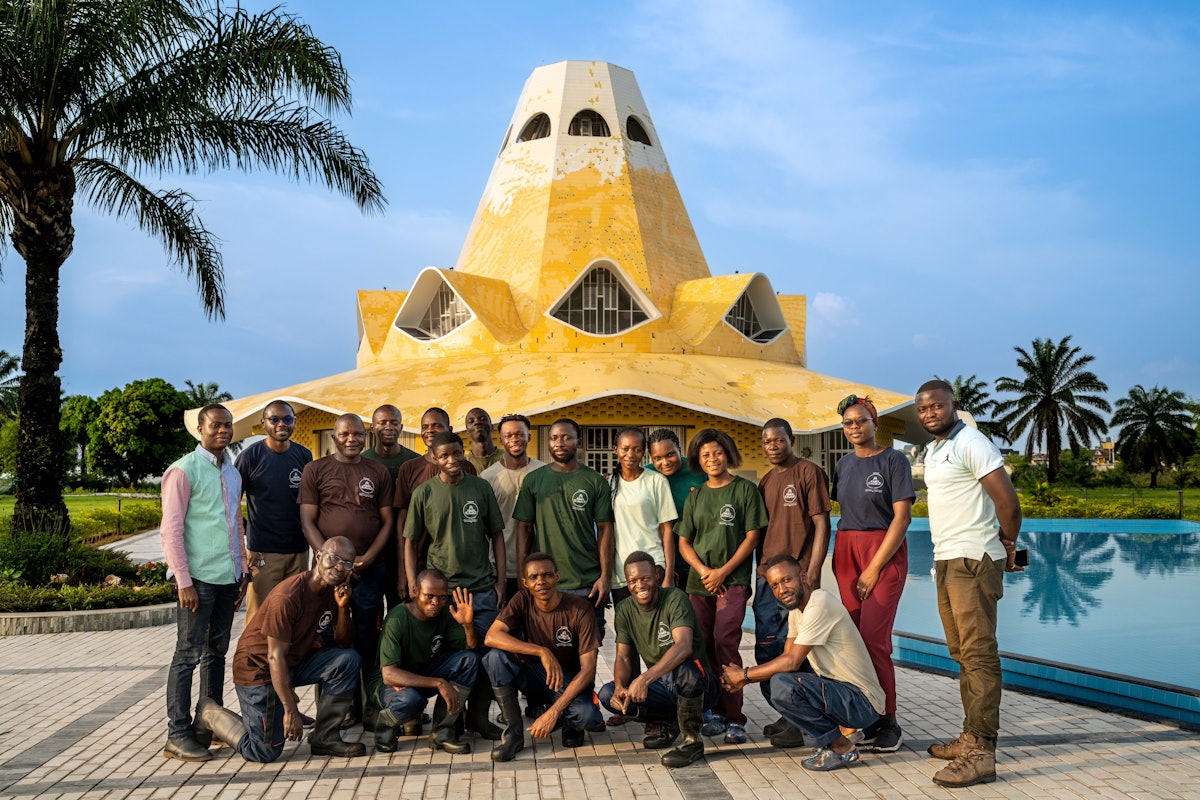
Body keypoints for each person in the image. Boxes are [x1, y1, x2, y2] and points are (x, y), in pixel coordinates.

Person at [915, 379, 1023, 788]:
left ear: (953, 406)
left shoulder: (972, 442)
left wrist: (1008, 547)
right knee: (962, 652)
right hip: (946, 560)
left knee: (978, 654)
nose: (929, 413)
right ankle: (971, 736)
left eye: (937, 406)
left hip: (974, 558)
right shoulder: (937, 449)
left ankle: (983, 753)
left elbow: (1007, 504)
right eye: (923, 408)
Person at [195, 537, 366, 762]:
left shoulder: (335, 593)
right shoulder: (288, 596)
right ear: (318, 557)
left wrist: (343, 609)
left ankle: (325, 737)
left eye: (346, 563)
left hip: (291, 663)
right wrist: (290, 710)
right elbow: (274, 657)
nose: (338, 567)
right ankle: (209, 712)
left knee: (348, 660)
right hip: (258, 670)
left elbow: (343, 642)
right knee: (264, 751)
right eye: (334, 558)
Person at [719, 554, 884, 773]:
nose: (782, 590)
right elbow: (788, 659)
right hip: (846, 696)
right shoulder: (797, 611)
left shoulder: (819, 603)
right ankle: (839, 735)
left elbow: (791, 662)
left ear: (803, 576)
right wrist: (747, 678)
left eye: (787, 580)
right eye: (775, 585)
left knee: (781, 685)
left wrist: (744, 675)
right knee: (774, 683)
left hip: (862, 702)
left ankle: (840, 747)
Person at [160, 404, 248, 762]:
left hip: (227, 578)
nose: (223, 431)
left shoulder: (232, 472)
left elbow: (235, 523)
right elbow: (171, 531)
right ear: (200, 429)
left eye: (228, 426)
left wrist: (242, 570)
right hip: (197, 581)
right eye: (215, 425)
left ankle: (206, 725)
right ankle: (177, 733)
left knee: (217, 654)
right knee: (187, 655)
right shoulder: (183, 471)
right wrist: (183, 580)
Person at [298, 413, 395, 728]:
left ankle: (369, 705)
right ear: (334, 437)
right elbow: (308, 521)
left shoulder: (377, 471)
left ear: (364, 437)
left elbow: (388, 521)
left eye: (357, 434)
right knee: (328, 636)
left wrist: (367, 557)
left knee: (367, 636)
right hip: (328, 573)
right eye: (345, 434)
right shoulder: (316, 469)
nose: (351, 439)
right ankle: (337, 710)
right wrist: (329, 560)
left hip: (369, 569)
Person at [830, 395, 914, 753]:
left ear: (874, 422)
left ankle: (889, 722)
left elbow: (903, 518)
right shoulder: (843, 465)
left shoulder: (894, 460)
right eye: (848, 423)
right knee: (853, 640)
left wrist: (875, 567)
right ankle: (863, 716)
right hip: (847, 549)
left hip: (882, 552)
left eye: (860, 421)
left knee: (875, 640)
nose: (854, 428)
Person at [676, 428, 767, 745]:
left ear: (727, 453)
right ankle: (712, 712)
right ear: (697, 461)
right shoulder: (695, 495)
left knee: (725, 643)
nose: (712, 459)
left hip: (733, 582)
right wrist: (704, 571)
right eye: (705, 455)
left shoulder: (745, 491)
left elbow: (752, 537)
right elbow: (684, 541)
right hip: (699, 583)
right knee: (703, 646)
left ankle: (735, 718)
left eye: (717, 452)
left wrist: (723, 572)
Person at [598, 551, 718, 768]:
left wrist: (644, 679)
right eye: (633, 581)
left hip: (700, 685)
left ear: (657, 575)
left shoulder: (674, 598)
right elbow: (623, 658)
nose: (639, 585)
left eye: (645, 578)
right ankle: (669, 723)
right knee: (607, 694)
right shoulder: (625, 609)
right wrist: (619, 686)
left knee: (686, 671)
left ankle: (692, 742)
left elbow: (683, 646)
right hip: (664, 685)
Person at [483, 552, 603, 761]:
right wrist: (541, 651)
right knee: (495, 658)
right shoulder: (522, 599)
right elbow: (492, 636)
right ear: (525, 582)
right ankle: (513, 737)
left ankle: (568, 722)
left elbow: (588, 670)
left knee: (588, 717)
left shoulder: (580, 609)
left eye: (547, 575)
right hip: (535, 674)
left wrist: (554, 712)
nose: (541, 582)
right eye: (534, 577)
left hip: (568, 680)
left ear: (557, 576)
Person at [755, 417, 832, 746]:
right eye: (767, 442)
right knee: (766, 650)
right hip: (766, 580)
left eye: (779, 440)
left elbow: (823, 524)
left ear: (791, 439)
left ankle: (802, 721)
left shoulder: (809, 473)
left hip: (797, 579)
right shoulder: (766, 481)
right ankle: (787, 715)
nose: (773, 446)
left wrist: (812, 571)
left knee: (796, 651)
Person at [514, 418, 614, 638]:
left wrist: (605, 576)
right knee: (546, 650)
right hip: (545, 583)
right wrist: (524, 573)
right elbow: (524, 529)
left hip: (586, 584)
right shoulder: (533, 480)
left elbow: (605, 530)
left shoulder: (595, 481)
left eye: (566, 437)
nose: (559, 443)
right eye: (554, 438)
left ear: (578, 441)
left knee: (587, 651)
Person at [369, 570, 481, 754]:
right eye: (429, 596)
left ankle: (442, 733)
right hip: (392, 684)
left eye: (441, 597)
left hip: (424, 671)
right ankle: (384, 725)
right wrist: (439, 682)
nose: (435, 603)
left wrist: (468, 626)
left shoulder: (446, 612)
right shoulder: (397, 619)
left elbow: (470, 650)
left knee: (470, 661)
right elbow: (389, 674)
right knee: (411, 700)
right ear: (415, 592)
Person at [237, 400, 313, 622]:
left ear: (294, 422)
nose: (282, 424)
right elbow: (229, 503)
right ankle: (251, 657)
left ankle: (287, 658)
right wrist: (247, 532)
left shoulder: (304, 456)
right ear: (264, 423)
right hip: (263, 552)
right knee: (259, 617)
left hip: (298, 550)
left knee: (293, 613)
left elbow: (311, 502)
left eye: (287, 419)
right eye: (275, 419)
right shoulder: (249, 457)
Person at [393, 407, 478, 600]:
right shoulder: (409, 468)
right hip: (419, 562)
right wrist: (404, 574)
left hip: (456, 569)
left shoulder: (465, 468)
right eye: (425, 426)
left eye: (436, 425)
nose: (429, 430)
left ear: (449, 428)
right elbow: (402, 525)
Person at [480, 414, 545, 600]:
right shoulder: (488, 478)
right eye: (508, 436)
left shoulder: (543, 472)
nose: (514, 439)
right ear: (501, 440)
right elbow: (484, 528)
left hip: (538, 568)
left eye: (520, 434)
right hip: (499, 569)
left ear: (529, 437)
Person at [362, 404, 420, 611]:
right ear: (372, 427)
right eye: (382, 422)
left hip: (407, 546)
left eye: (394, 423)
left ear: (401, 427)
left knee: (402, 605)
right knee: (370, 606)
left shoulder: (413, 462)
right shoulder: (363, 461)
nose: (389, 427)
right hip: (373, 548)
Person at [647, 429, 705, 591]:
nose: (665, 462)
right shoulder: (647, 475)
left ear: (680, 450)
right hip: (661, 565)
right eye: (657, 458)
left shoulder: (700, 471)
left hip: (698, 563)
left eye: (670, 454)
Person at [464, 407, 504, 473]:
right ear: (467, 432)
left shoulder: (507, 458)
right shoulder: (464, 465)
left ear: (492, 427)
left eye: (483, 419)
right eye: (471, 421)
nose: (477, 422)